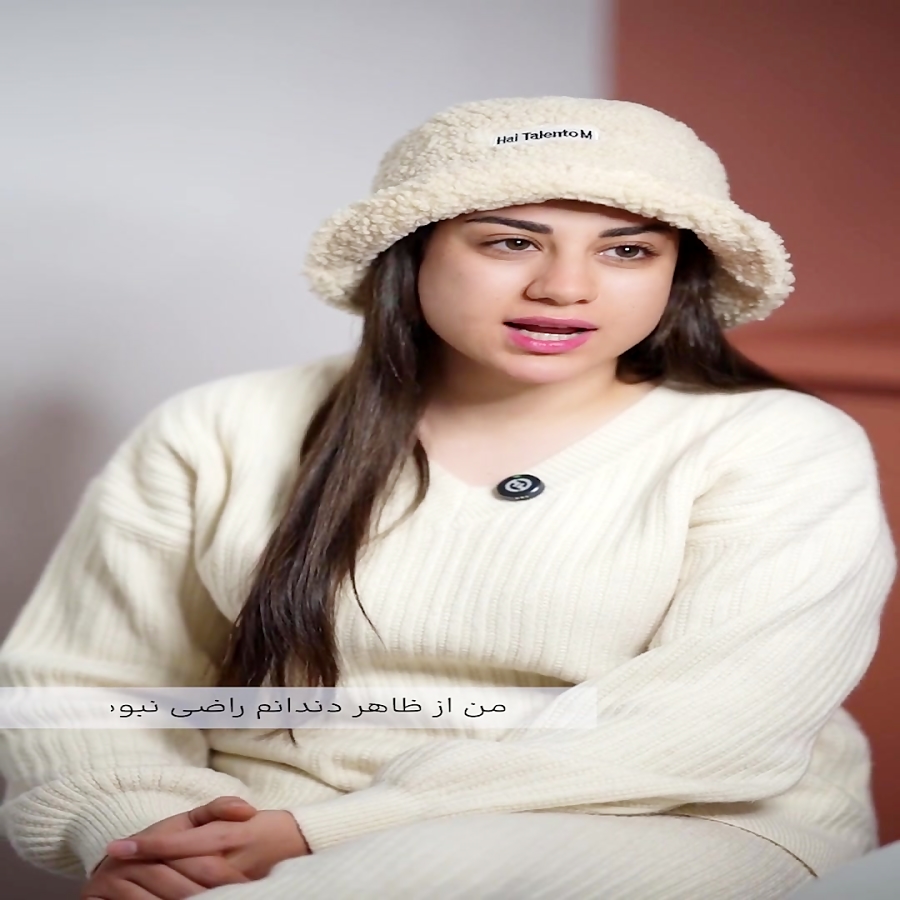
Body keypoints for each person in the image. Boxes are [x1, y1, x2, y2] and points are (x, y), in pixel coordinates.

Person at [0, 96, 896, 900]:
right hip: (263, 823)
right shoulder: (220, 427)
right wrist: (154, 836)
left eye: (627, 250)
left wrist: (330, 835)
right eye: (511, 241)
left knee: (429, 872)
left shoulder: (777, 445)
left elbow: (713, 728)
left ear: (678, 274)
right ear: (413, 248)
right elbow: (86, 684)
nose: (565, 288)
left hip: (677, 823)